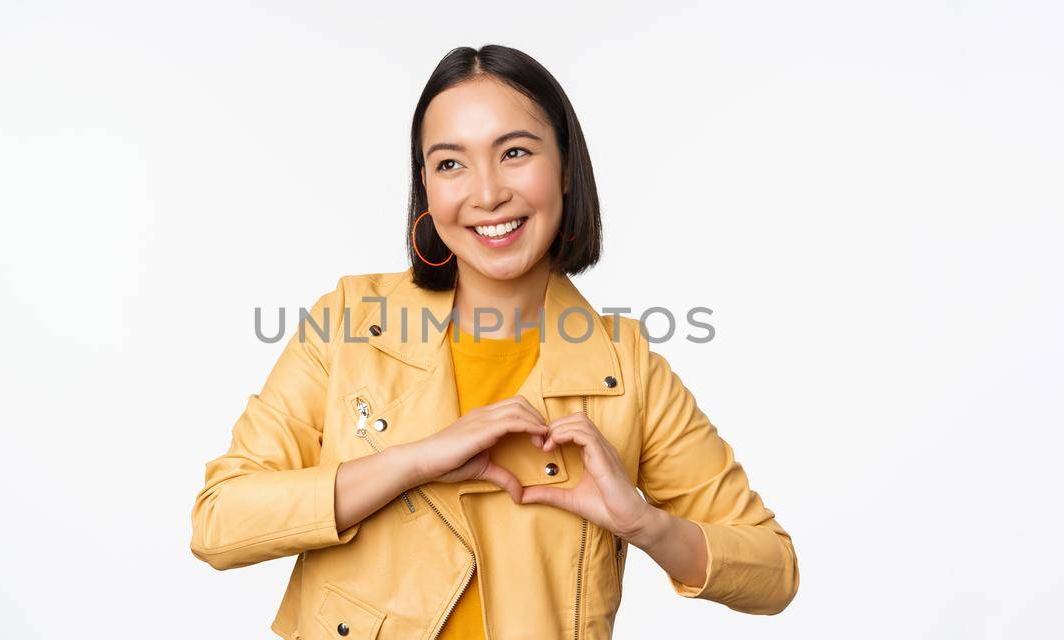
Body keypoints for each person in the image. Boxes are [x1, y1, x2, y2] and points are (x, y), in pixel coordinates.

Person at [190, 44, 798, 639]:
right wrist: (413, 461)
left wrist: (643, 524)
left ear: (565, 168)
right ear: (425, 186)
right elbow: (220, 522)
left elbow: (774, 572)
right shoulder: (351, 321)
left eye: (514, 153)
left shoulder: (625, 369)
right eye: (450, 163)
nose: (486, 194)